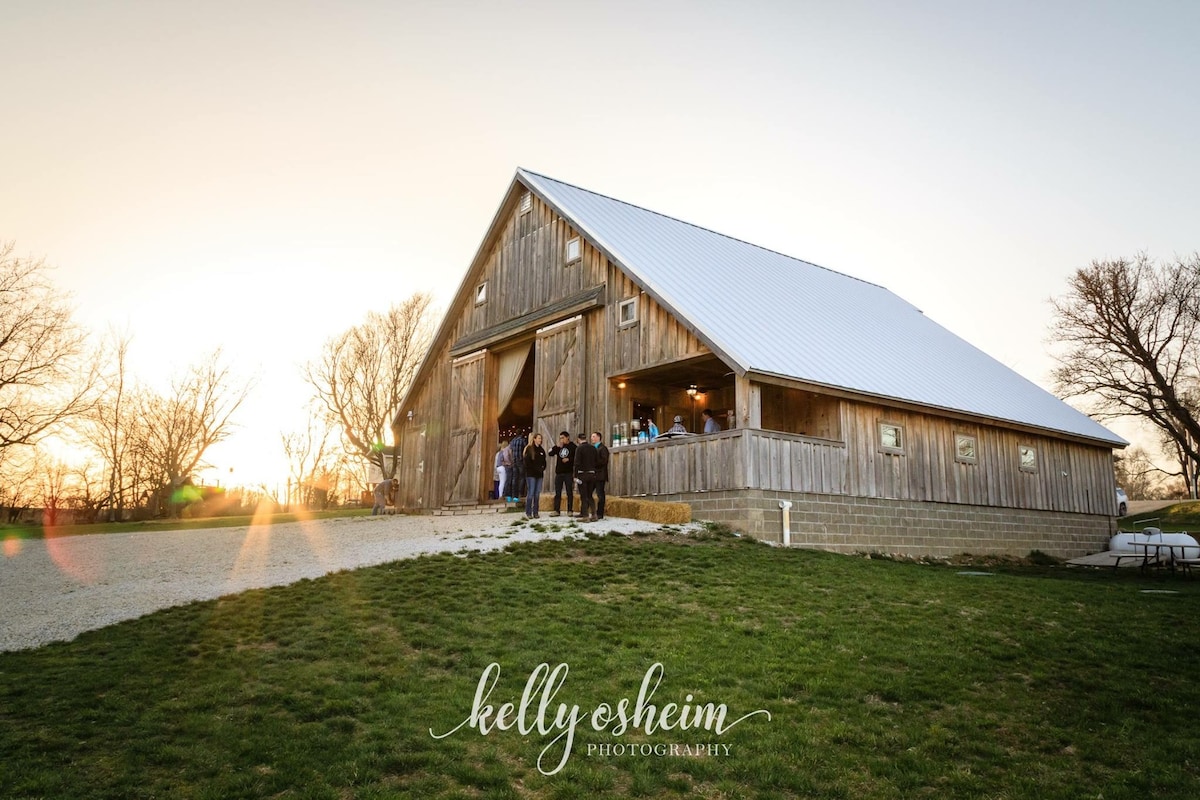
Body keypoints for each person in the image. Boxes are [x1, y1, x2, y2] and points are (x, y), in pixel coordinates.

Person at [551, 431, 576, 516]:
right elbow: (550, 453)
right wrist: (556, 447)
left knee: (569, 492)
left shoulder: (573, 446)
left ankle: (570, 510)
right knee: (558, 492)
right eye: (560, 438)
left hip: (568, 473)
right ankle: (556, 510)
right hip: (559, 473)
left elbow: (576, 458)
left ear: (567, 437)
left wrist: (569, 459)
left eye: (563, 438)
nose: (561, 440)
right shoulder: (559, 447)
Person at [522, 433, 547, 518]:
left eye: (541, 438)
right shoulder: (529, 449)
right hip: (531, 474)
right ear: (534, 439)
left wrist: (543, 468)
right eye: (539, 438)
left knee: (537, 493)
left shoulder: (542, 450)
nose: (540, 440)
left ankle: (535, 512)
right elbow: (527, 462)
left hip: (539, 474)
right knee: (531, 492)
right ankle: (528, 512)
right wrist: (534, 469)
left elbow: (544, 461)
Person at [574, 431, 598, 520]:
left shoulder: (579, 449)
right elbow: (596, 461)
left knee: (583, 496)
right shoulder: (593, 448)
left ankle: (585, 515)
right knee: (590, 495)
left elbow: (577, 463)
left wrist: (575, 476)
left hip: (582, 474)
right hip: (592, 474)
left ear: (578, 439)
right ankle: (594, 514)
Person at [589, 431, 610, 521]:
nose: (591, 438)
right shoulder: (593, 448)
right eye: (591, 436)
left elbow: (604, 461)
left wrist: (593, 463)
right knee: (588, 493)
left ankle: (600, 513)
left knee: (600, 494)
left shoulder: (603, 448)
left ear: (598, 438)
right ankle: (590, 511)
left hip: (600, 475)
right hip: (593, 475)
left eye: (593, 436)